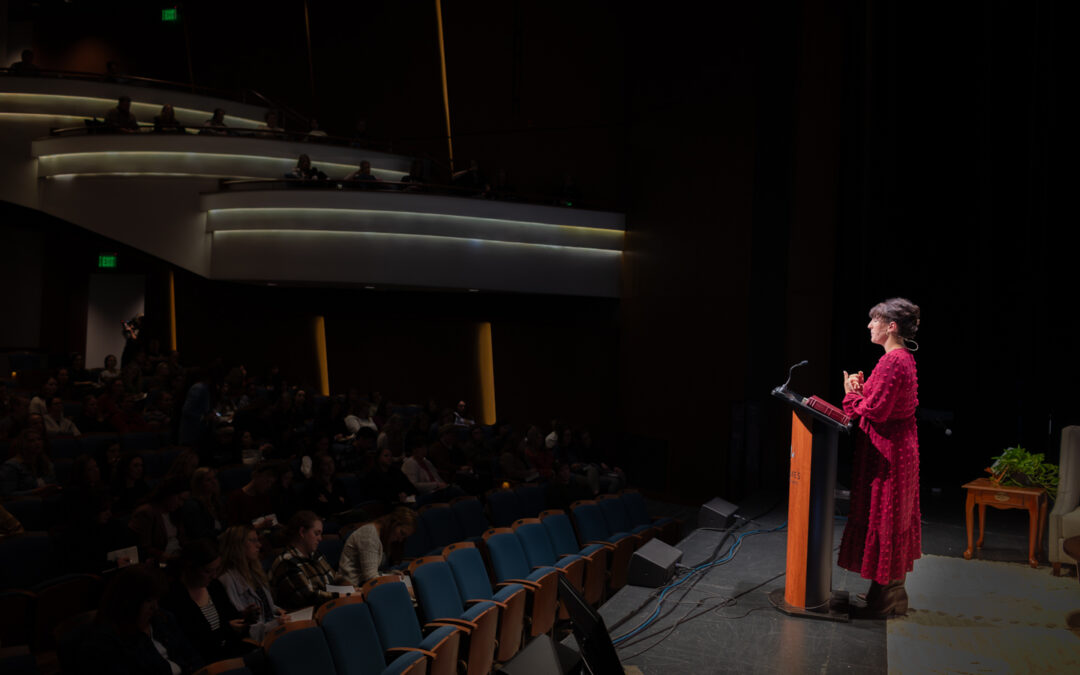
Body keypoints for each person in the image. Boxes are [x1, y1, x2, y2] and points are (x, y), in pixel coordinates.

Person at [839, 297, 922, 618]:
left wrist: (850, 392)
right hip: (896, 450)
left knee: (886, 518)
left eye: (875, 320)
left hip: (890, 453)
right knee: (890, 517)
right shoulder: (900, 359)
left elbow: (874, 410)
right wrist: (860, 389)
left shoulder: (893, 361)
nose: (869, 325)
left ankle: (888, 599)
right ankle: (884, 592)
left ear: (891, 327)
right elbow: (878, 403)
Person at [79, 565, 202, 675]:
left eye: (156, 599)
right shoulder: (106, 641)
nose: (155, 607)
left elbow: (190, 654)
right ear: (129, 602)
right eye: (148, 601)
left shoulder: (162, 618)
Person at [162, 539, 255, 664]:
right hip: (206, 661)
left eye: (216, 570)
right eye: (208, 571)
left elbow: (229, 618)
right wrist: (227, 629)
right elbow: (194, 642)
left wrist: (244, 617)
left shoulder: (214, 586)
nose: (214, 575)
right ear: (190, 568)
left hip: (230, 651)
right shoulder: (175, 598)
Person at [217, 525, 286, 642]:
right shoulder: (227, 580)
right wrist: (276, 624)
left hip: (272, 629)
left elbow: (262, 603)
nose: (259, 545)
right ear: (237, 545)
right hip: (259, 639)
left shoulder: (254, 571)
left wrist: (276, 610)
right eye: (253, 540)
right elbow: (245, 624)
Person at [269, 510, 338, 610]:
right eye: (316, 533)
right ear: (302, 532)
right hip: (306, 616)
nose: (320, 539)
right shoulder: (287, 562)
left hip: (328, 607)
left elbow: (334, 578)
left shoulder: (316, 554)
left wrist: (351, 588)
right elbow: (309, 596)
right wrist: (342, 595)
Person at [338, 507, 418, 587]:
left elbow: (373, 573)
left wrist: (391, 575)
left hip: (363, 583)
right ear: (393, 523)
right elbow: (371, 579)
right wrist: (392, 579)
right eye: (402, 533)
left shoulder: (383, 535)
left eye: (404, 537)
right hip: (351, 587)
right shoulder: (369, 535)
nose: (400, 540)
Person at [128, 476, 187, 563]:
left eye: (184, 501)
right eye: (179, 499)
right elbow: (143, 547)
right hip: (160, 561)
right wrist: (166, 556)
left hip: (177, 555)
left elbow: (182, 539)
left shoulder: (175, 512)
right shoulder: (146, 512)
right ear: (168, 494)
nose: (181, 504)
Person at [0, 428, 57, 497]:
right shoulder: (11, 466)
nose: (37, 443)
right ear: (23, 444)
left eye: (39, 439)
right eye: (31, 441)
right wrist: (37, 492)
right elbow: (7, 494)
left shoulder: (46, 463)